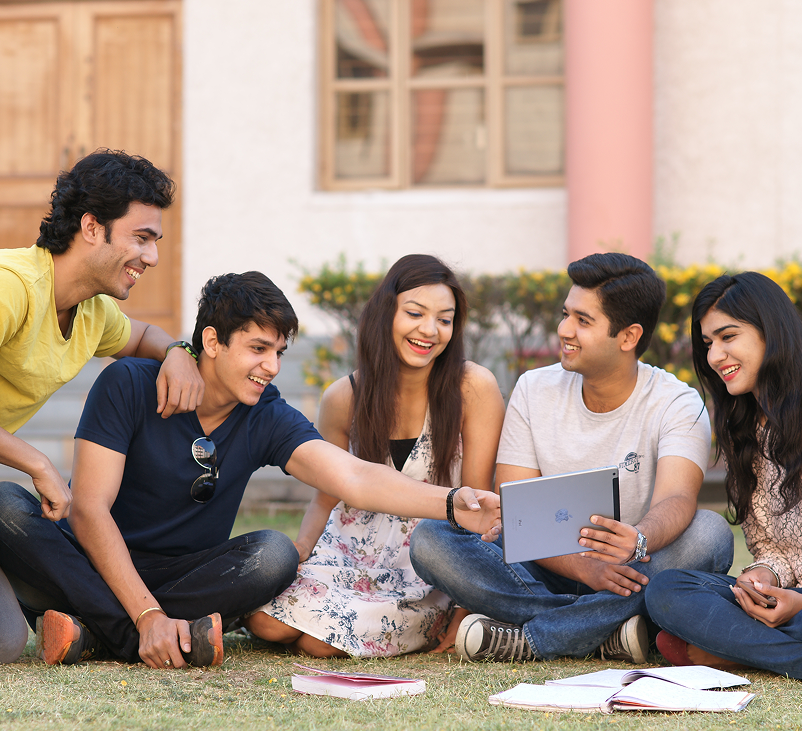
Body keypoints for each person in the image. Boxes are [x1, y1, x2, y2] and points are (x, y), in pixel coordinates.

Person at [0, 271, 501, 670]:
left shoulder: (265, 413)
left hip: (184, 574)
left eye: (279, 352)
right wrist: (147, 615)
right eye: (258, 349)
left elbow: (352, 477)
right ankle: (133, 636)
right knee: (6, 502)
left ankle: (90, 628)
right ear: (212, 342)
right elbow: (88, 509)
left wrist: (451, 503)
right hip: (85, 559)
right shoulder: (130, 383)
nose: (272, 367)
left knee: (273, 555)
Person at [410, 252, 734, 664]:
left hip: (634, 568)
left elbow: (678, 501)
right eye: (566, 314)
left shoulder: (678, 403)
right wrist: (582, 568)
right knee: (431, 538)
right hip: (544, 567)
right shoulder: (534, 388)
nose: (564, 329)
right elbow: (516, 509)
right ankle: (605, 632)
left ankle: (535, 638)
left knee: (709, 534)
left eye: (583, 320)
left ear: (629, 336)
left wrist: (637, 540)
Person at [0, 150, 204, 663]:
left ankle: (71, 618)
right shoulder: (12, 287)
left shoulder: (93, 311)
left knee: (4, 642)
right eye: (141, 238)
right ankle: (129, 635)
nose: (152, 258)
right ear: (92, 227)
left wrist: (179, 353)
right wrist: (36, 463)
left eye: (154, 241)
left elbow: (143, 338)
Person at [245, 255, 505, 657]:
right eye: (415, 313)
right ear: (387, 313)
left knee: (318, 645)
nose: (429, 330)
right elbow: (325, 496)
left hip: (423, 562)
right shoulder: (343, 396)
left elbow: (476, 501)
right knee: (264, 623)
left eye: (445, 319)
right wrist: (300, 552)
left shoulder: (473, 387)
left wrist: (466, 609)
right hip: (347, 549)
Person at [645, 272, 801, 680]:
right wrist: (763, 576)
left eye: (728, 336)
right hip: (784, 603)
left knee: (673, 637)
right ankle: (756, 650)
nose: (715, 356)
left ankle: (738, 650)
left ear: (771, 332)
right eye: (708, 343)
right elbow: (771, 546)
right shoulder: (746, 429)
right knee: (667, 591)